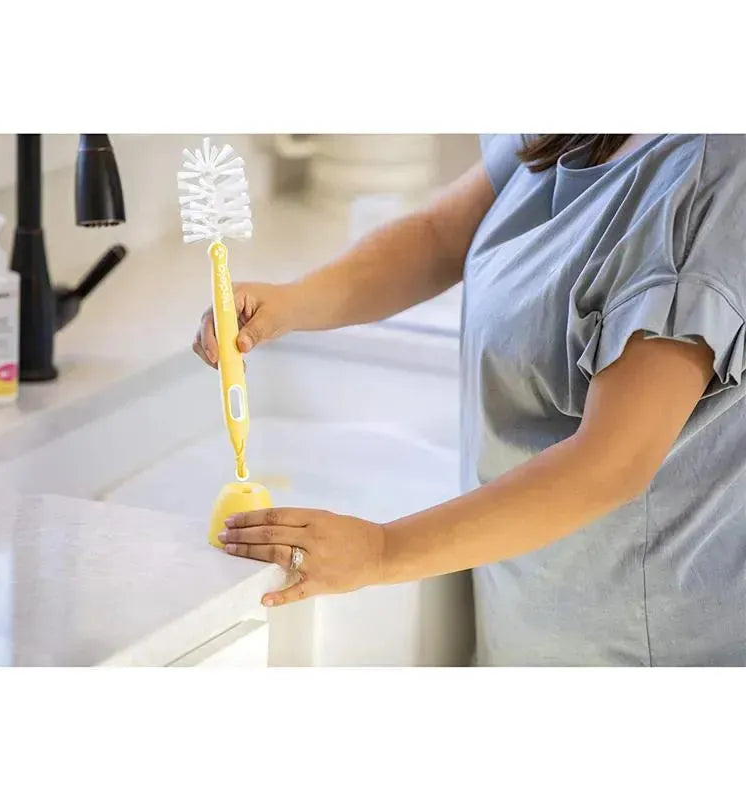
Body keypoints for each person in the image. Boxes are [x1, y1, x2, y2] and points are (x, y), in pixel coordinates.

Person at [193, 134, 746, 667]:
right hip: (531, 611)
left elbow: (610, 464)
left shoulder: (706, 184)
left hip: (642, 647)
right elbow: (438, 236)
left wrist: (380, 551)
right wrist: (291, 303)